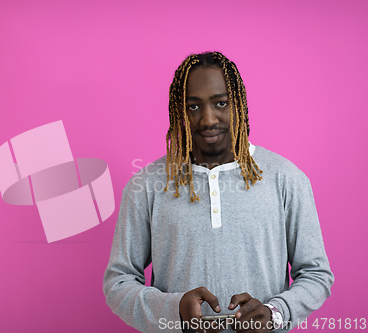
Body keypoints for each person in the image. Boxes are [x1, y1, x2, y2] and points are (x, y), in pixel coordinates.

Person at [103, 52, 334, 333]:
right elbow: (119, 283)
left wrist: (276, 313)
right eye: (193, 106)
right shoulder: (148, 185)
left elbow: (316, 274)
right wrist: (174, 310)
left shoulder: (285, 178)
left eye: (221, 103)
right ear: (179, 111)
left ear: (239, 105)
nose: (208, 119)